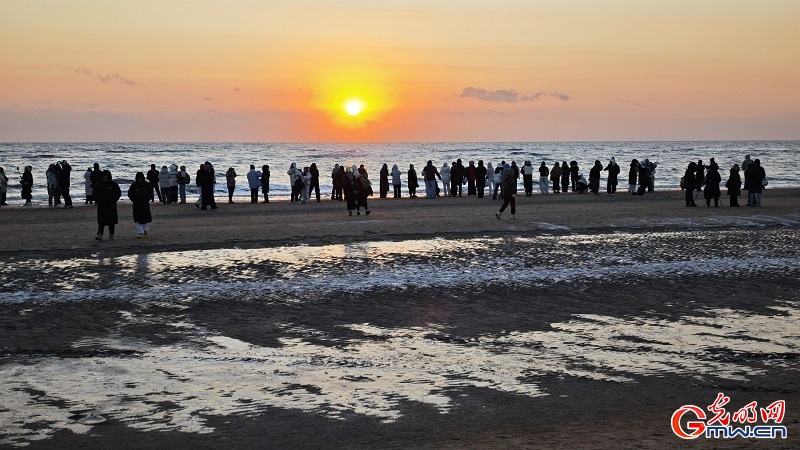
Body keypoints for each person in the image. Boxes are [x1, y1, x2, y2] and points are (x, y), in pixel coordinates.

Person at [93, 170, 121, 240]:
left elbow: (118, 193)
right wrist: (97, 200)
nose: (105, 179)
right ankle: (100, 234)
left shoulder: (113, 184)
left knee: (111, 221)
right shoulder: (98, 184)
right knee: (101, 221)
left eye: (106, 177)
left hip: (111, 205)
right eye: (104, 177)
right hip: (102, 205)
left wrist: (114, 200)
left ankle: (111, 234)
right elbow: (94, 193)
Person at [127, 172, 152, 238]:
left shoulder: (147, 185)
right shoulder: (134, 185)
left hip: (144, 203)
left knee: (144, 218)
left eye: (141, 178)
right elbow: (130, 193)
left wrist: (147, 199)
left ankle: (145, 230)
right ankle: (140, 232)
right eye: (138, 178)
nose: (140, 179)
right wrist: (133, 199)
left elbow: (150, 193)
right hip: (136, 204)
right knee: (138, 219)